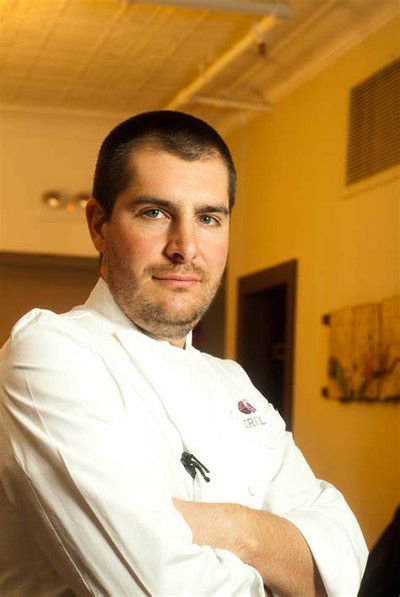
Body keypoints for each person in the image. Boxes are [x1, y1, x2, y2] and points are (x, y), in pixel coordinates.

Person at [0, 111, 367, 597]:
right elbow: (163, 588)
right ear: (99, 225)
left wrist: (236, 527)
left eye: (209, 218)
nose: (186, 248)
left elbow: (348, 566)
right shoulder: (50, 354)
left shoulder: (232, 382)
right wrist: (282, 553)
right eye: (154, 213)